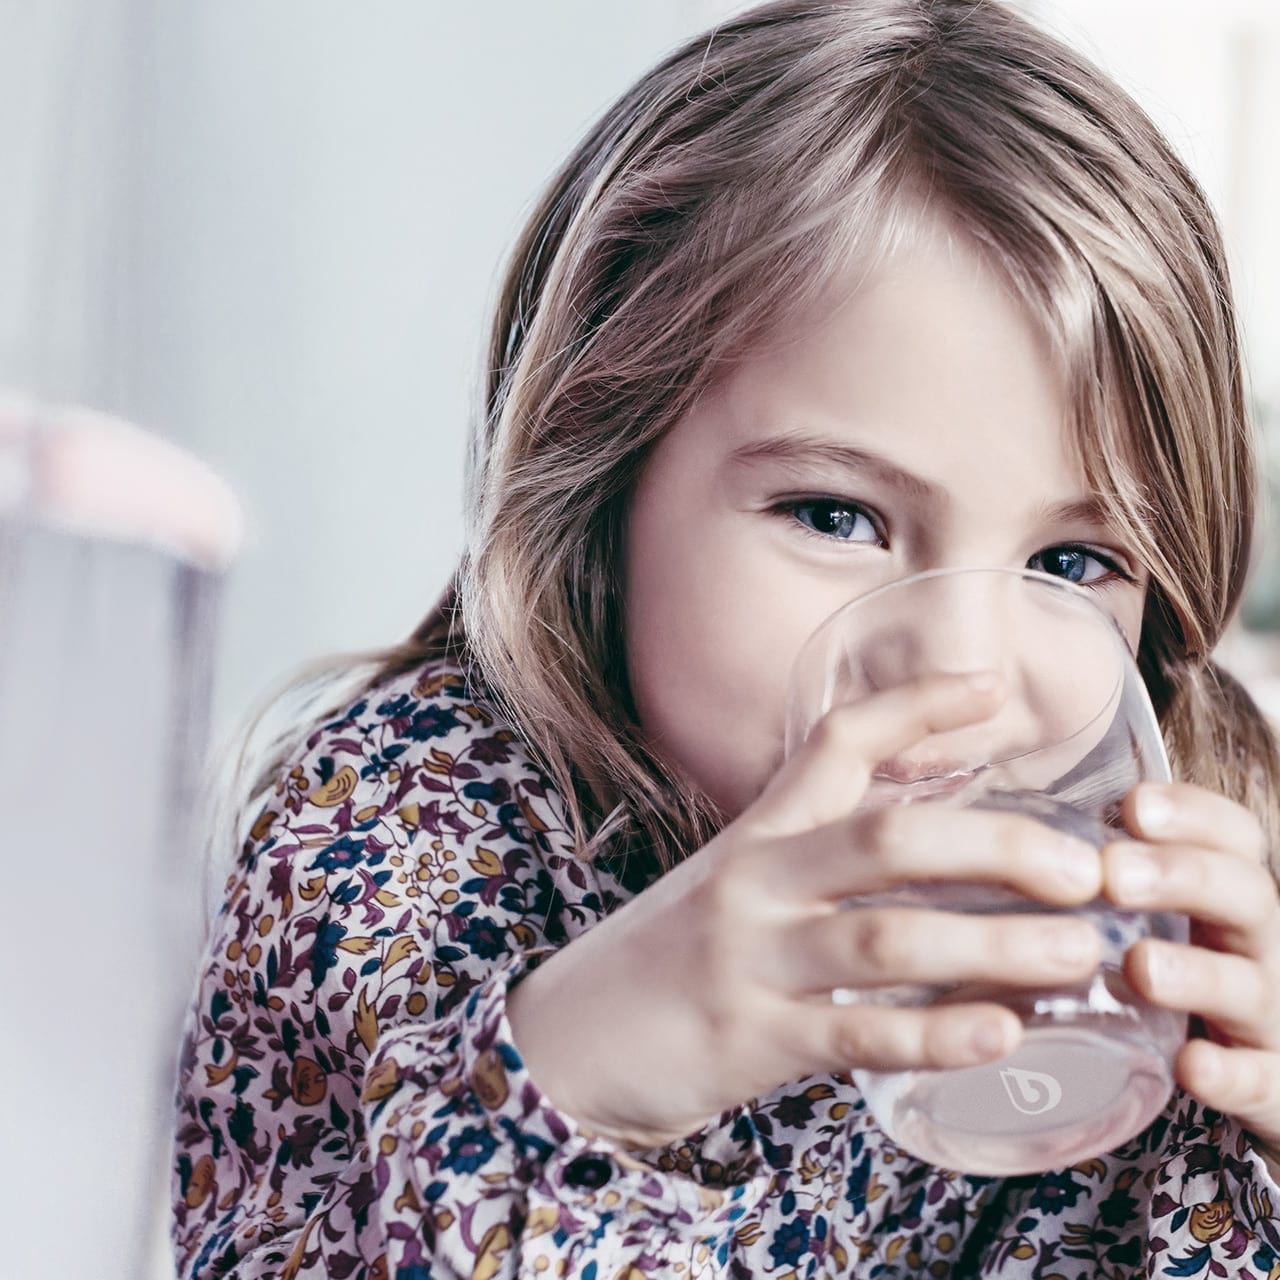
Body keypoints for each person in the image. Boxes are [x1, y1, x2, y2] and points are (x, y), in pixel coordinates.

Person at [172, 1, 1280, 1275]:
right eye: (834, 514)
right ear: (603, 487)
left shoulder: (1177, 881)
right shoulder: (386, 839)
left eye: (1070, 563)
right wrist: (582, 1084)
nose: (967, 672)